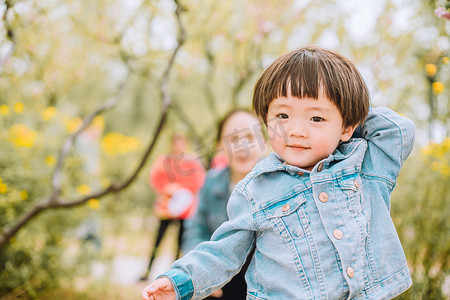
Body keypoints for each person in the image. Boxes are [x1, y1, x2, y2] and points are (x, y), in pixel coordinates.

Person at [142, 46, 415, 299]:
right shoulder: (256, 190)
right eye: (283, 116)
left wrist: (348, 109)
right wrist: (182, 280)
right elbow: (224, 251)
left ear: (347, 127)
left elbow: (398, 131)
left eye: (316, 118)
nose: (295, 130)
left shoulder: (364, 168)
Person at [182, 110, 267, 299]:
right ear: (220, 145)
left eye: (250, 137)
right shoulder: (210, 183)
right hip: (223, 276)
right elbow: (196, 231)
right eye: (234, 139)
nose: (242, 146)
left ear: (264, 142)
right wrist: (202, 274)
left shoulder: (282, 182)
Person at [140, 134, 206, 281]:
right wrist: (169, 188)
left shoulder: (191, 162)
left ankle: (173, 273)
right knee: (158, 239)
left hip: (184, 210)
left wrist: (184, 191)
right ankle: (148, 271)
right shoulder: (164, 160)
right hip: (166, 209)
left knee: (180, 242)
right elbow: (156, 178)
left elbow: (199, 181)